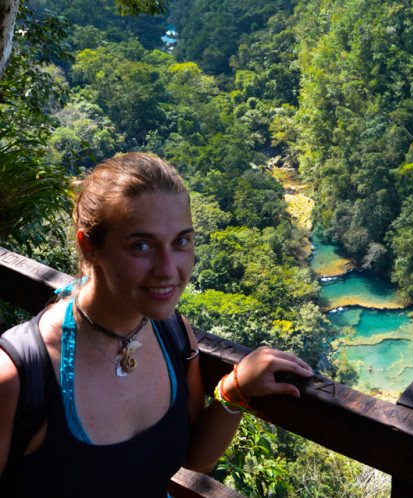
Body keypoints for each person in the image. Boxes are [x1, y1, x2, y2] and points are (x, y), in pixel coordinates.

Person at [0, 152, 314, 496]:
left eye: (180, 241)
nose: (168, 268)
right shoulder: (20, 377)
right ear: (89, 246)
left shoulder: (173, 333)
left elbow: (194, 458)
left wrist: (235, 390)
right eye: (142, 245)